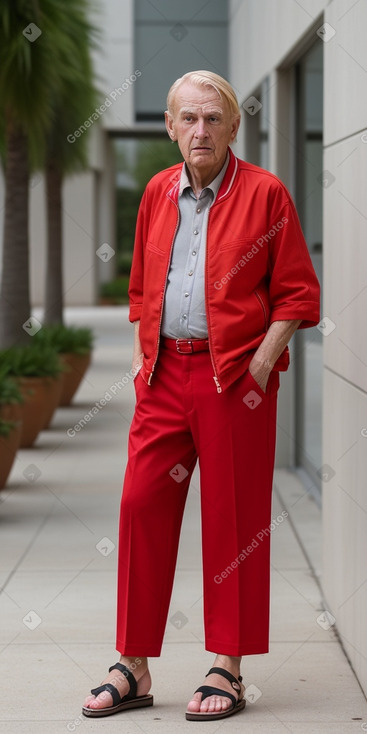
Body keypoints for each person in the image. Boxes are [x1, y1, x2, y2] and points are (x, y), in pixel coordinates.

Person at [82, 70, 320, 722]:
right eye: (187, 119)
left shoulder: (266, 195)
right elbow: (140, 290)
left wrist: (261, 366)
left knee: (233, 521)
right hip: (163, 378)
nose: (200, 131)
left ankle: (227, 666)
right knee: (139, 507)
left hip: (234, 383)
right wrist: (139, 363)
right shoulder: (156, 194)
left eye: (212, 119)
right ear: (168, 126)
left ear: (232, 127)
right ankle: (132, 664)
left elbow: (297, 293)